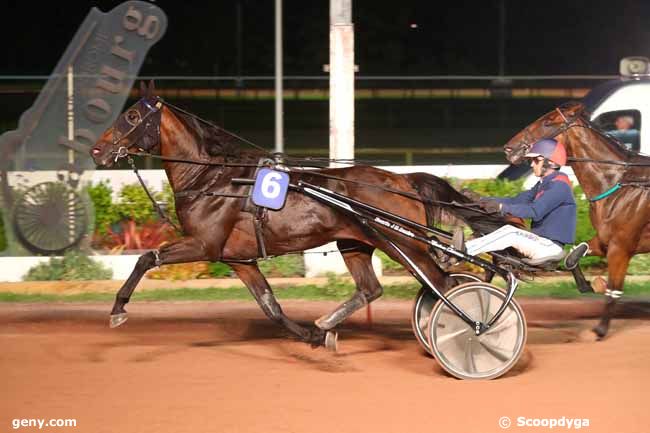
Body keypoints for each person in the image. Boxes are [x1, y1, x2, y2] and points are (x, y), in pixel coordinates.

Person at [456, 138, 581, 264]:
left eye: (536, 160)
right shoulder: (544, 184)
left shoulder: (559, 185)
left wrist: (500, 207)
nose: (532, 165)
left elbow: (534, 211)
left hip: (550, 248)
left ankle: (463, 251)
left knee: (510, 233)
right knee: (508, 230)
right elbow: (516, 201)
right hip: (541, 242)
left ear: (550, 163)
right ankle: (464, 249)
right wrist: (481, 199)